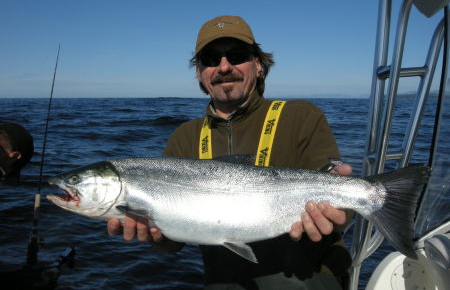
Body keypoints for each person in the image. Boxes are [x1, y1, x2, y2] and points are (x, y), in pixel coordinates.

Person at [108, 15, 354, 289]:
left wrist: (343, 208)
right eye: (211, 59)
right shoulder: (185, 137)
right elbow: (172, 245)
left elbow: (342, 205)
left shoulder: (300, 116)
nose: (224, 67)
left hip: (307, 280)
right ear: (200, 73)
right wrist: (155, 234)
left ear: (259, 65)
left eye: (237, 56)